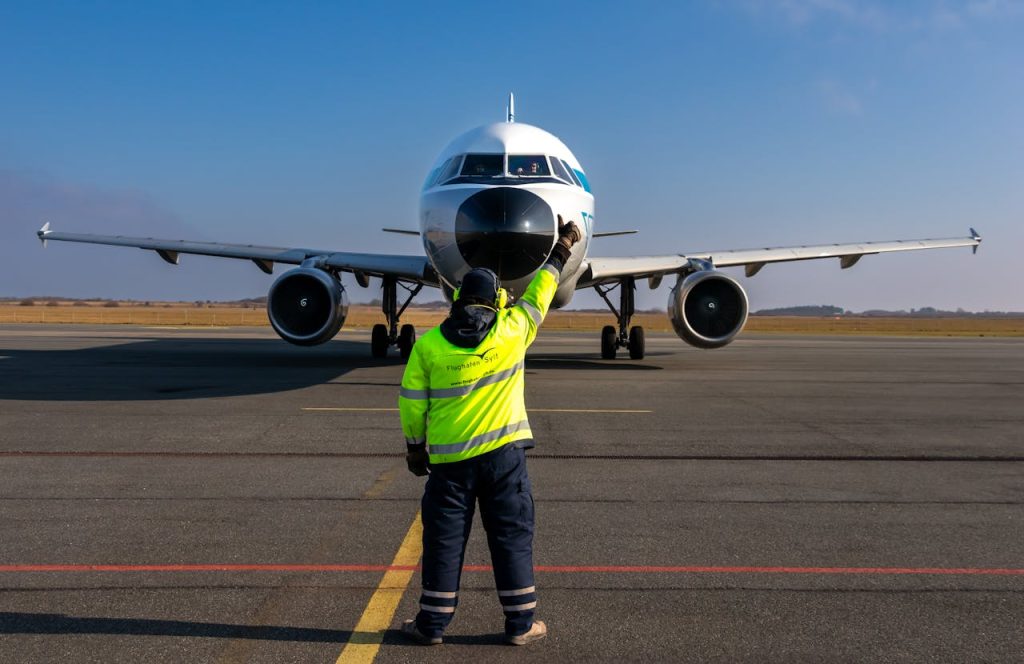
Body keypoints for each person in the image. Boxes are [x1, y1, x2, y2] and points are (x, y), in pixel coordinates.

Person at [398, 217, 583, 646]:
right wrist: (563, 246)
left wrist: (414, 449)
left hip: (448, 465)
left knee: (443, 543)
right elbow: (542, 290)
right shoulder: (512, 331)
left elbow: (410, 403)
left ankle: (432, 625)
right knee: (511, 538)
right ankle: (520, 625)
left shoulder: (428, 346)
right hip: (504, 459)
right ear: (497, 300)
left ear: (457, 299)